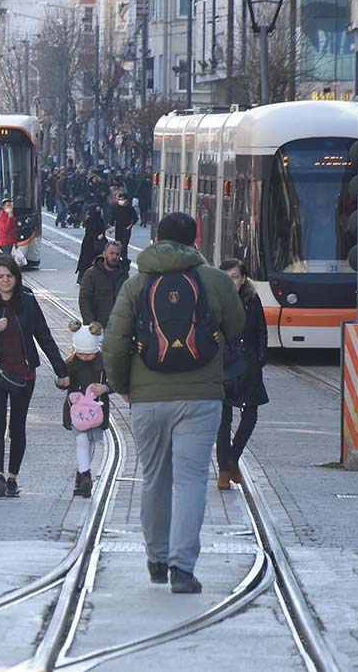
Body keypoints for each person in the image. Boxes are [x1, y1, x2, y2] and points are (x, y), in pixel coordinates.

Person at [102, 212, 245, 594]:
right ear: (194, 239)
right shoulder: (214, 280)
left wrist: (121, 385)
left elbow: (115, 341)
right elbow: (237, 326)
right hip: (200, 398)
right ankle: (182, 568)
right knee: (192, 482)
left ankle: (156, 560)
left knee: (154, 479)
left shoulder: (137, 284)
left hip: (148, 398)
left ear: (157, 239)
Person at [0, 255, 69, 498]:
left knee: (17, 426)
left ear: (16, 277)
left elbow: (44, 336)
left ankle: (13, 477)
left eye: (9, 276)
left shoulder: (27, 302)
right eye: (0, 277)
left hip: (24, 373)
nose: (5, 281)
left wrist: (61, 370)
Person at [215, 259, 268, 491]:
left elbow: (261, 331)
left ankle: (233, 457)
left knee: (250, 417)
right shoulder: (214, 302)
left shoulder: (252, 300)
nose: (231, 281)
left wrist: (259, 360)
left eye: (235, 276)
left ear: (243, 278)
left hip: (247, 366)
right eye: (226, 277)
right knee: (223, 422)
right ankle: (224, 471)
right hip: (222, 368)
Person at [63, 322, 111, 498]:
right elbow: (61, 380)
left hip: (96, 412)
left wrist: (105, 388)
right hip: (75, 412)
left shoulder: (104, 361)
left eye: (88, 355)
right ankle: (85, 476)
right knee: (81, 440)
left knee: (90, 442)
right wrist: (62, 382)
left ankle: (81, 475)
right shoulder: (70, 363)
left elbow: (115, 380)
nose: (84, 357)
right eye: (81, 354)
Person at [78, 241, 130, 326]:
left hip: (118, 327)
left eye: (117, 254)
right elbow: (84, 300)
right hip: (98, 327)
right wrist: (91, 323)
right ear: (104, 254)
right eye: (111, 253)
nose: (114, 257)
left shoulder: (124, 274)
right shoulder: (91, 274)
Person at [75, 204, 108, 280]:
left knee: (97, 261)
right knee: (85, 261)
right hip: (89, 244)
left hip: (98, 244)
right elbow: (89, 232)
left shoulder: (101, 220)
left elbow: (103, 231)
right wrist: (97, 236)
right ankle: (81, 278)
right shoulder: (89, 220)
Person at [109, 193, 138, 260]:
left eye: (121, 199)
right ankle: (117, 259)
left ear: (126, 200)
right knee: (117, 245)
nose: (120, 201)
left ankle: (124, 261)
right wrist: (111, 226)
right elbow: (112, 218)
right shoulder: (116, 208)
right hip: (118, 229)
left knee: (124, 246)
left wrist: (130, 226)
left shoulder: (130, 208)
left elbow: (135, 218)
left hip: (126, 229)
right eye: (119, 199)